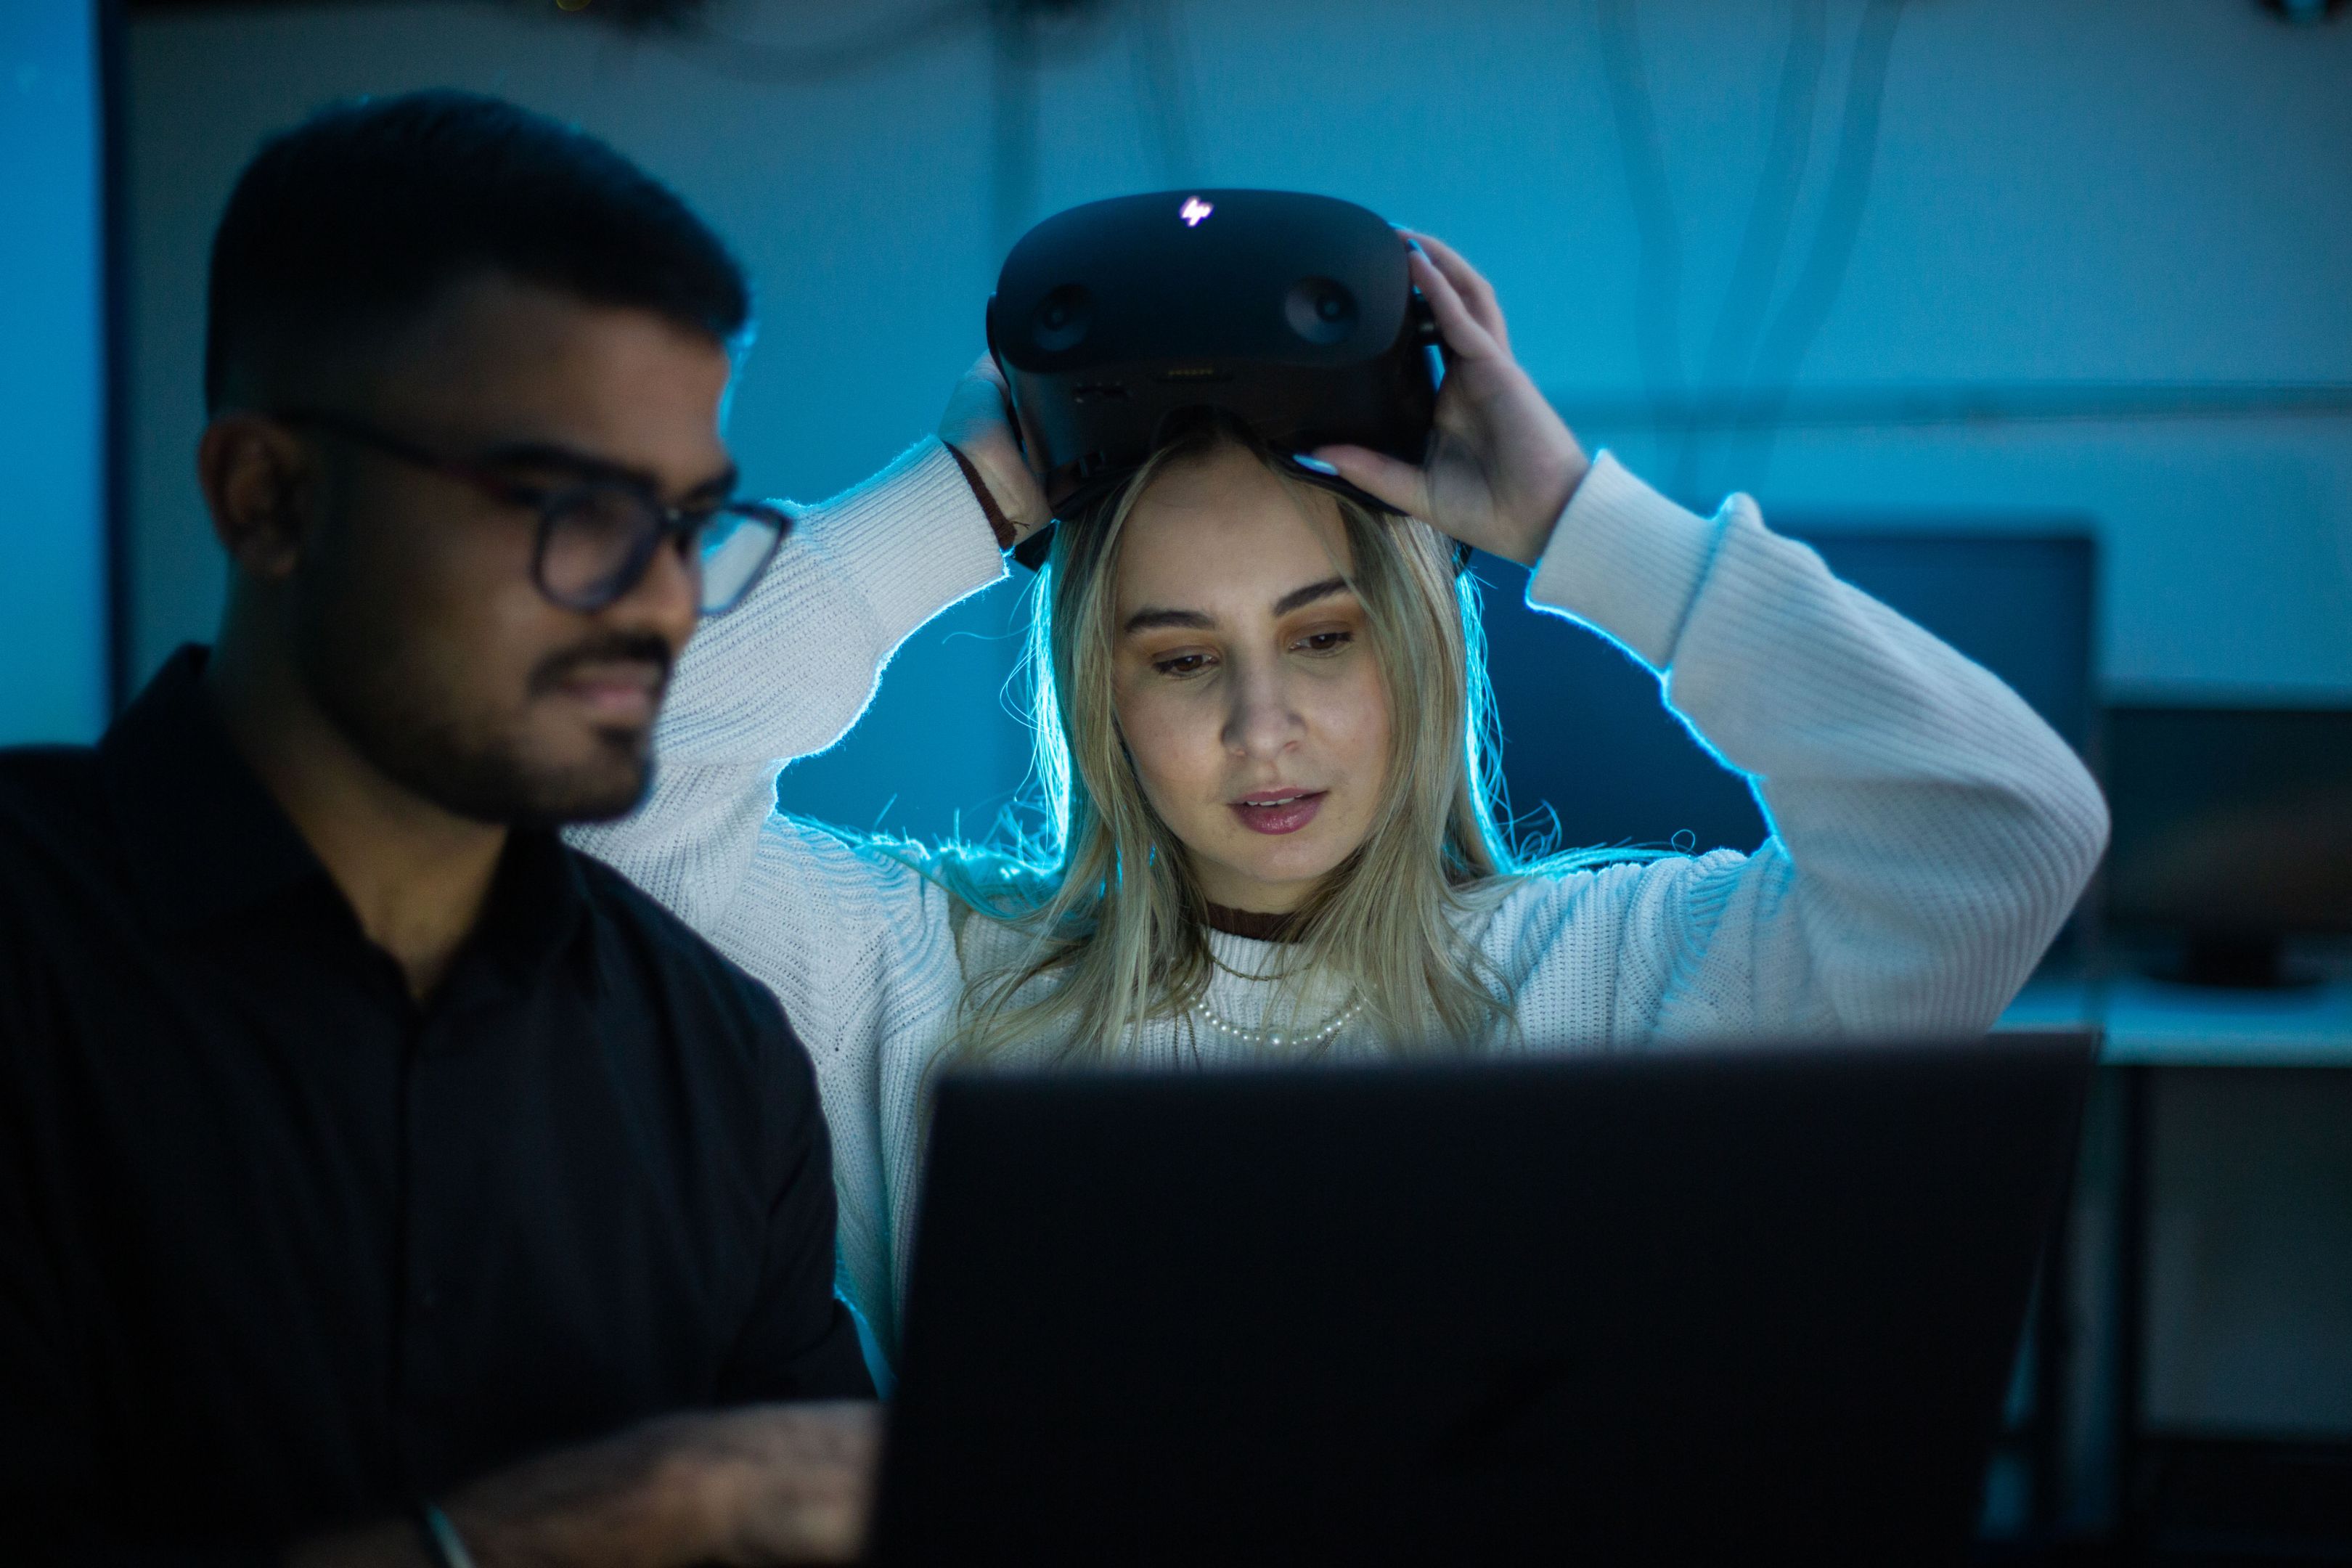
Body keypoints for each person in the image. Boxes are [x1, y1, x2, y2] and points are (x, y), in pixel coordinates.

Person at [573, 232, 2110, 1379]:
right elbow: (595, 811)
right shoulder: (916, 981)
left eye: (1323, 637)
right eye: (1181, 661)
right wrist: (964, 491)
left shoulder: (1628, 975)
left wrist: (1580, 521)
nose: (1264, 729)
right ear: (1100, 701)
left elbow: (2003, 832)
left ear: (1420, 651)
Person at [0, 92, 904, 1565]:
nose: (665, 601)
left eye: (687, 521)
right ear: (269, 496)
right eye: (573, 504)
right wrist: (615, 1519)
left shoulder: (722, 1064)